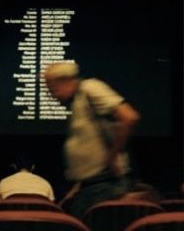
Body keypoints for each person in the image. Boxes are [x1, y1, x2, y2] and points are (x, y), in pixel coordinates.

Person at [44, 61, 140, 218]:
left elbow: (129, 117)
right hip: (92, 186)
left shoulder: (90, 88)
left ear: (65, 81)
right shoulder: (77, 101)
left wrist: (113, 155)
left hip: (106, 185)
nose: (51, 94)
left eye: (52, 88)